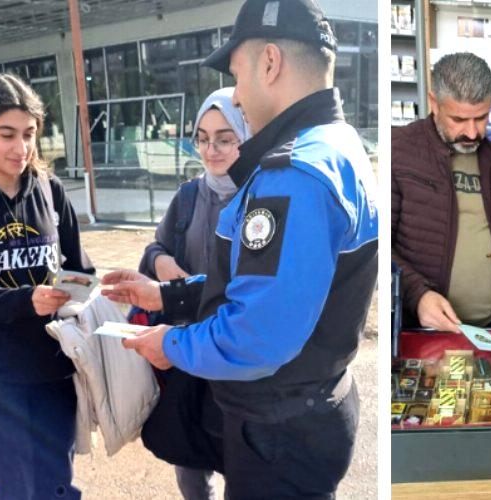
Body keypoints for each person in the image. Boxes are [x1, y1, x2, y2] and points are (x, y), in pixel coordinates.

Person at [101, 0, 378, 498]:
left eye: (237, 73)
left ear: (270, 62)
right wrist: (168, 297)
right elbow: (269, 283)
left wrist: (169, 344)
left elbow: (255, 336)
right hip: (309, 407)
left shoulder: (291, 175)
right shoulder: (338, 144)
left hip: (279, 430)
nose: (237, 94)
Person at [137, 87, 251, 500]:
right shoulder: (188, 197)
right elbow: (154, 249)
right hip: (186, 351)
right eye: (202, 138)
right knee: (190, 462)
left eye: (225, 138)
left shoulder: (262, 199)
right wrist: (161, 262)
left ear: (246, 136)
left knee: (240, 463)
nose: (212, 149)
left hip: (236, 353)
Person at [0, 73, 94, 499]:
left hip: (54, 367)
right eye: (6, 134)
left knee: (56, 484)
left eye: (30, 134)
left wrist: (82, 289)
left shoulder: (50, 192)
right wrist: (23, 301)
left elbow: (80, 265)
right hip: (0, 381)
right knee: (16, 488)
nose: (21, 148)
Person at [392, 52, 491, 333]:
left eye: (481, 118)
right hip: (423, 332)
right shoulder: (399, 152)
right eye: (459, 119)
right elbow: (380, 246)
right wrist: (417, 296)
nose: (471, 133)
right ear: (434, 103)